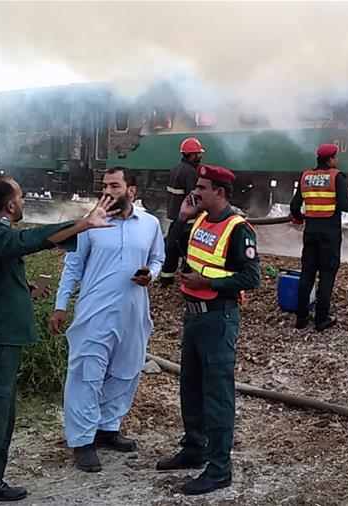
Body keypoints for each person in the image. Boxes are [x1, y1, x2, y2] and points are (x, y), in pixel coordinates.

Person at [0, 174, 117, 506]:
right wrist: (83, 224)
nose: (25, 201)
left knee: (1, 417)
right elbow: (30, 241)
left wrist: (22, 290)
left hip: (0, 341)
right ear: (9, 204)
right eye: (22, 197)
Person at [48, 167, 166, 473]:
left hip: (133, 311)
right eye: (105, 186)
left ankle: (108, 428)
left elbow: (157, 259)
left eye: (115, 185)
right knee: (87, 373)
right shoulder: (91, 224)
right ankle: (82, 441)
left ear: (132, 191)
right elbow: (73, 267)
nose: (108, 191)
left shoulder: (150, 224)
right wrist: (61, 306)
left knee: (125, 371)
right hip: (95, 312)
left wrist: (150, 274)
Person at [155, 165, 260, 495]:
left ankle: (219, 468)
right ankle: (194, 448)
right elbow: (173, 252)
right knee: (191, 387)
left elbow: (251, 279)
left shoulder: (238, 229)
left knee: (217, 394)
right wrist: (182, 218)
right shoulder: (198, 219)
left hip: (218, 318)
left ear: (220, 192)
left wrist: (209, 282)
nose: (195, 190)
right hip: (194, 317)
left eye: (202, 187)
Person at [288, 143, 348, 331]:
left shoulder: (306, 176)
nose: (336, 161)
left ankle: (301, 318)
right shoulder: (335, 176)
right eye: (335, 158)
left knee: (307, 273)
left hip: (311, 232)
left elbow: (294, 205)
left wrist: (298, 218)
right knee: (327, 274)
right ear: (331, 159)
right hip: (329, 234)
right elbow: (345, 206)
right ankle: (321, 319)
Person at [159, 137, 203, 286]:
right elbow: (193, 198)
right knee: (188, 250)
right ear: (192, 155)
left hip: (175, 218)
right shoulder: (190, 172)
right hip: (187, 221)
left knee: (171, 249)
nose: (200, 156)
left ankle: (166, 278)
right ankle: (188, 277)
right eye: (198, 153)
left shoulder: (176, 168)